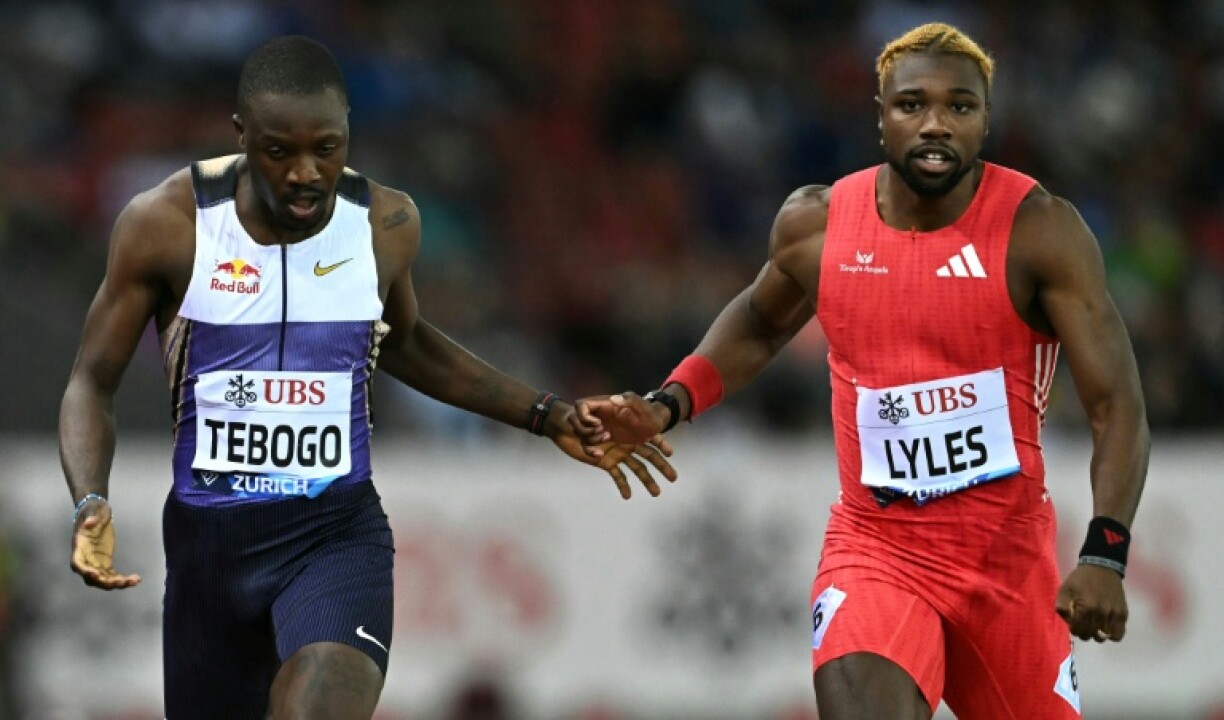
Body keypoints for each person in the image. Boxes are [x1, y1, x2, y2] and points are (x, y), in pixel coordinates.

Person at [57, 36, 675, 720]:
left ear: (349, 131)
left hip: (334, 538)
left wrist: (549, 413)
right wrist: (90, 500)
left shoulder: (383, 223)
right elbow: (91, 381)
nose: (305, 174)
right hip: (211, 557)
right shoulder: (167, 226)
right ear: (240, 135)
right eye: (278, 151)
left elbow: (405, 342)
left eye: (327, 148)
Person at [573, 22, 1149, 720]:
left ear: (986, 119)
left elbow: (1115, 404)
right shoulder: (818, 224)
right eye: (912, 105)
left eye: (959, 107)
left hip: (1006, 566)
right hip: (877, 550)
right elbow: (761, 319)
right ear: (881, 117)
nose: (935, 124)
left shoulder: (1041, 233)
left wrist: (1107, 552)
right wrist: (668, 404)